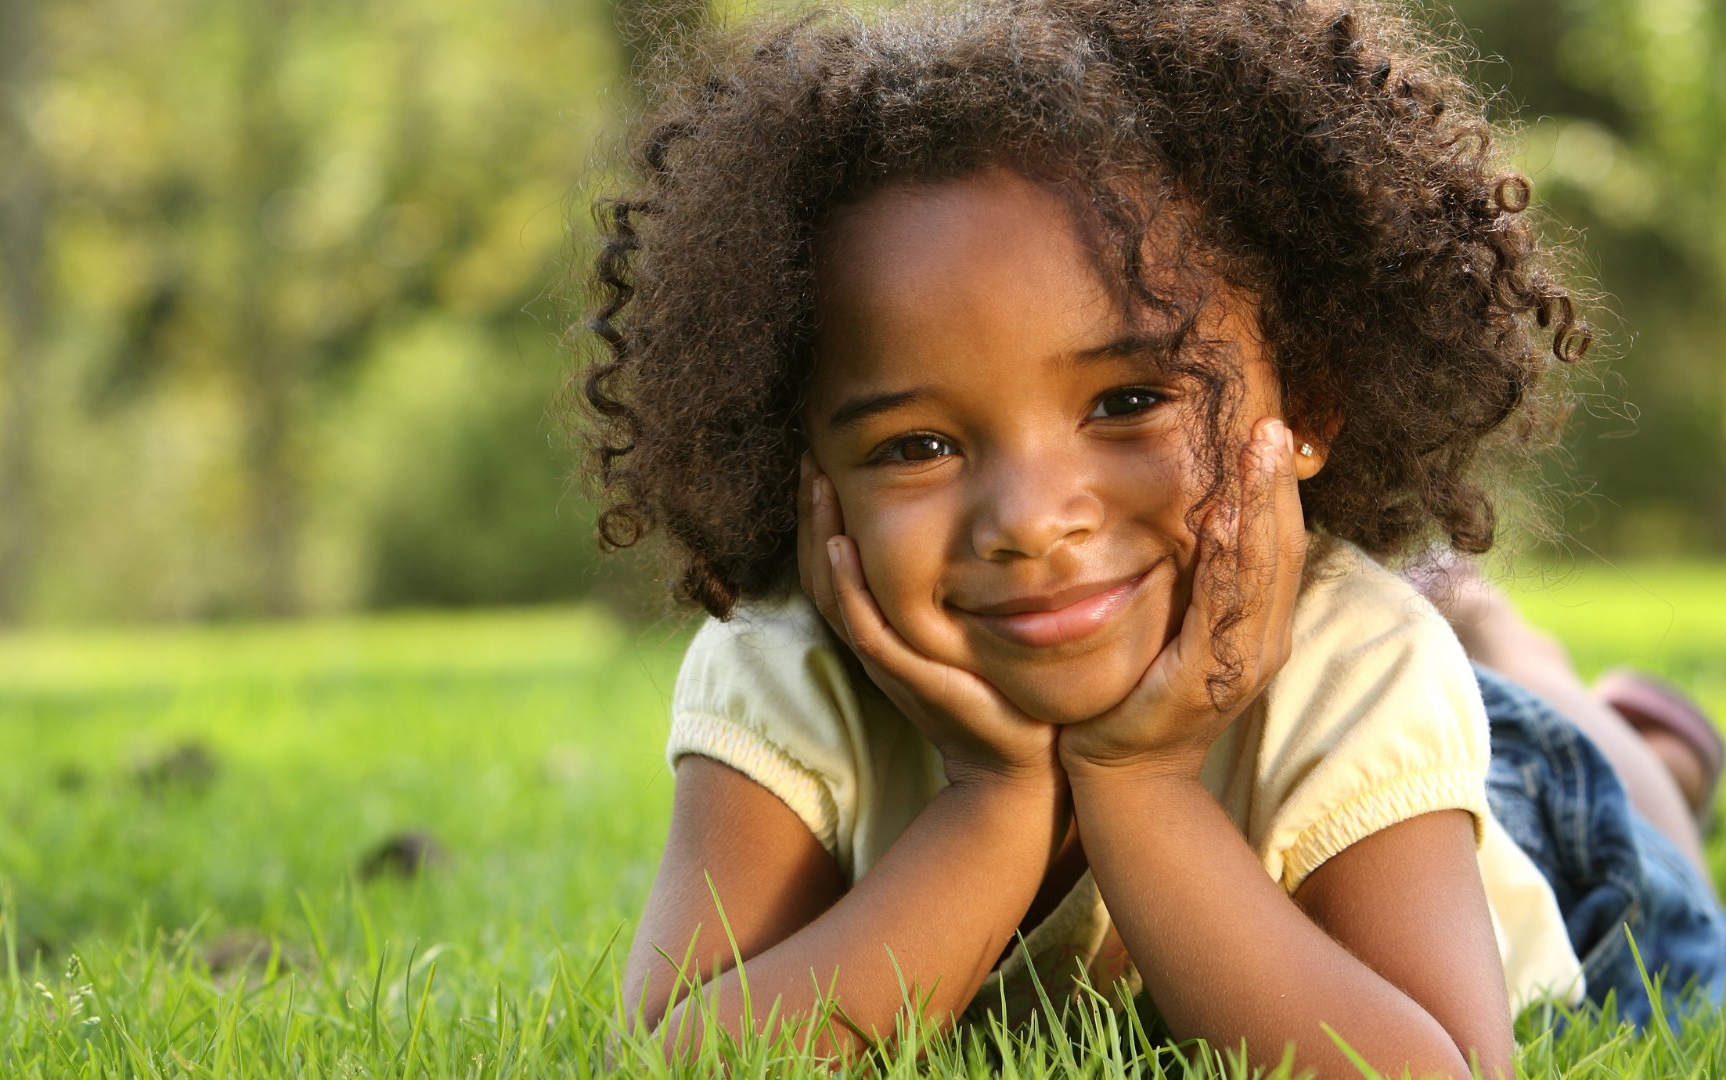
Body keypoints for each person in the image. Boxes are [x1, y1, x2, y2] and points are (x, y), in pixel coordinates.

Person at [575, 1, 1724, 1076]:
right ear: (801, 469)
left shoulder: (1359, 665)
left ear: (1308, 405)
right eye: (916, 447)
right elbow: (683, 1051)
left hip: (1509, 828)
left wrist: (1140, 782)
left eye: (1128, 403)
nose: (1028, 521)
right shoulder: (787, 671)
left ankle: (1603, 716)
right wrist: (989, 798)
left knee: (1590, 786)